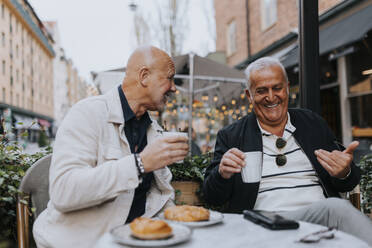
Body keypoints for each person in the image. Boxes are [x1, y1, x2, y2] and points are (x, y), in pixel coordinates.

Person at [203, 57, 372, 245]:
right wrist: (222, 174)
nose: (271, 96)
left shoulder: (312, 124)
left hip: (319, 218)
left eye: (277, 88)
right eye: (261, 91)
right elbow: (212, 197)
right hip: (263, 224)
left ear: (287, 88)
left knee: (338, 209)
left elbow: (348, 183)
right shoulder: (231, 136)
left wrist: (344, 172)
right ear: (249, 95)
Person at [33, 46, 189, 248]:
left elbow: (160, 196)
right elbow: (64, 191)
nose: (174, 87)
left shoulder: (154, 130)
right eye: (169, 78)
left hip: (132, 240)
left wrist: (178, 231)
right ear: (144, 76)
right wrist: (139, 164)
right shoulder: (87, 114)